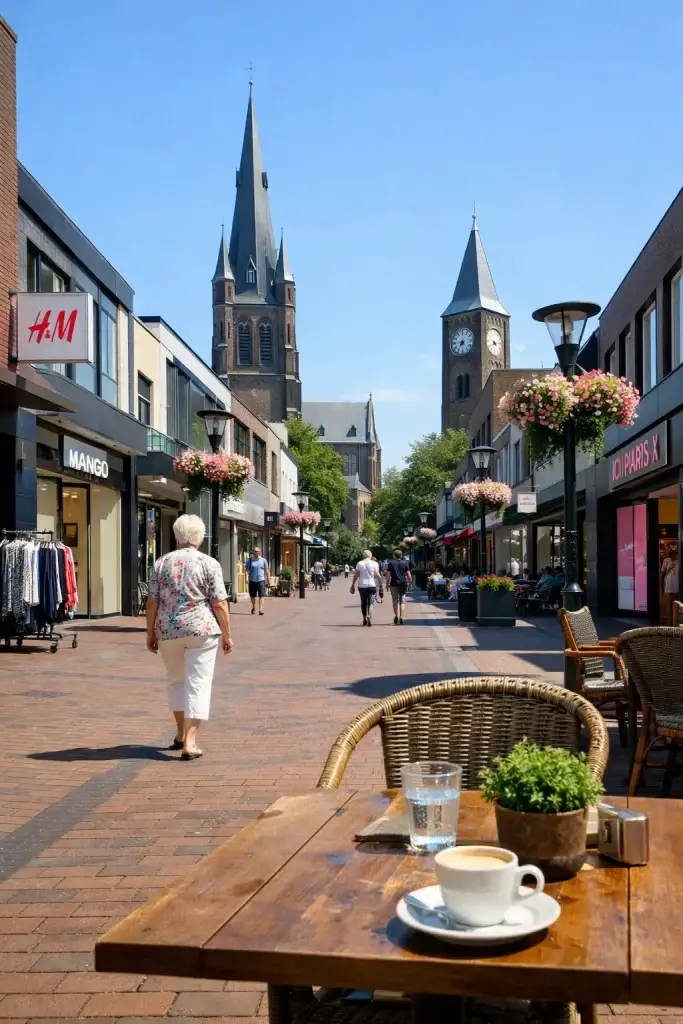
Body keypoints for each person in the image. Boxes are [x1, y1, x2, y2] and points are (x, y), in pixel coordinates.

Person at [146, 514, 233, 761]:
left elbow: (152, 601)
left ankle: (180, 733)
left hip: (168, 630)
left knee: (176, 681)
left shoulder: (161, 563)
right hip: (201, 630)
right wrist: (227, 634)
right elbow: (219, 603)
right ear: (199, 536)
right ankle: (191, 742)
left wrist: (150, 632)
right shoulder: (208, 563)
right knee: (198, 683)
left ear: (177, 535)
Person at [351, 549, 383, 626]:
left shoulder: (359, 563)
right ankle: (369, 615)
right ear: (370, 555)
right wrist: (381, 584)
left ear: (363, 555)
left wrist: (353, 584)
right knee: (371, 602)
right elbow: (378, 575)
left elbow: (356, 575)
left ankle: (364, 617)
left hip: (362, 585)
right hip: (372, 585)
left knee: (363, 602)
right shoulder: (375, 563)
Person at [386, 548, 412, 625]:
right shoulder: (405, 563)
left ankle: (396, 615)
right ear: (401, 555)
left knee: (395, 600)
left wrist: (387, 583)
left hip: (393, 583)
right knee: (402, 600)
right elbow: (409, 575)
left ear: (394, 555)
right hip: (403, 583)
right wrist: (410, 583)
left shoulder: (390, 563)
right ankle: (401, 616)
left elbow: (388, 575)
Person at [246, 547, 270, 615]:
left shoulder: (263, 560)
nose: (256, 553)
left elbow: (267, 571)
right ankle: (253, 607)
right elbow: (247, 571)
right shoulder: (250, 560)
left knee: (261, 595)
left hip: (261, 580)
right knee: (252, 595)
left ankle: (260, 610)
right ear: (252, 552)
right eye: (255, 551)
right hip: (252, 580)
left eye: (257, 551)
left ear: (259, 552)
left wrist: (268, 580)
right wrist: (246, 578)